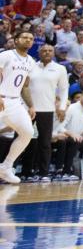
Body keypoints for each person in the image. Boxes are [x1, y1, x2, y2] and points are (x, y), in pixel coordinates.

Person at [23, 43, 67, 183]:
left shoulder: (60, 68)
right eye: (44, 51)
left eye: (50, 51)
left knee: (45, 143)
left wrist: (62, 108)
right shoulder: (30, 66)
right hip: (28, 109)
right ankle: (26, 172)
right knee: (25, 141)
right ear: (39, 52)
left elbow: (63, 90)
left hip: (47, 110)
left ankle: (43, 173)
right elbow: (23, 87)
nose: (47, 53)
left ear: (53, 53)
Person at [0, 31, 37, 184]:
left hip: (15, 102)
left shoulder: (31, 61)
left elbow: (25, 86)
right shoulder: (6, 55)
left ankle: (5, 167)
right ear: (16, 40)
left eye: (31, 38)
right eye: (25, 37)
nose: (28, 40)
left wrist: (31, 105)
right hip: (1, 98)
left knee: (27, 132)